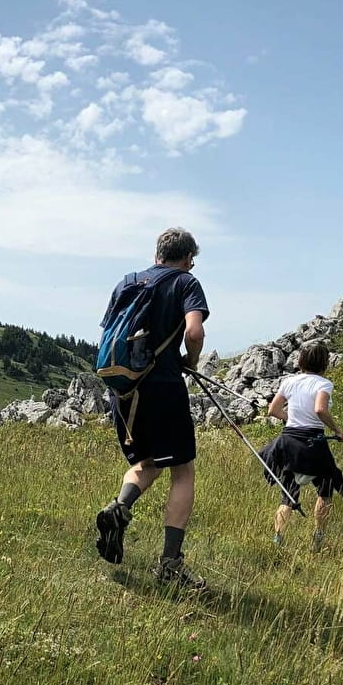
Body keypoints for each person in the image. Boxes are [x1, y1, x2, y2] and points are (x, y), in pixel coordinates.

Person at [94, 227, 210, 589]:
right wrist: (189, 361)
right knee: (182, 470)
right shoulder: (186, 283)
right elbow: (194, 333)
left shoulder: (127, 282)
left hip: (125, 387)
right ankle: (170, 564)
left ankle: (119, 509)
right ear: (188, 257)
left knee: (145, 462)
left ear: (158, 253)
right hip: (163, 385)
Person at [261, 342, 343, 551]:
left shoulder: (289, 381)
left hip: (288, 442)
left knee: (289, 494)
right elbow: (320, 409)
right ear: (324, 363)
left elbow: (273, 410)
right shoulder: (324, 384)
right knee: (325, 490)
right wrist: (337, 431)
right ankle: (318, 538)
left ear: (301, 360)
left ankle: (278, 540)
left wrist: (292, 418)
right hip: (313, 442)